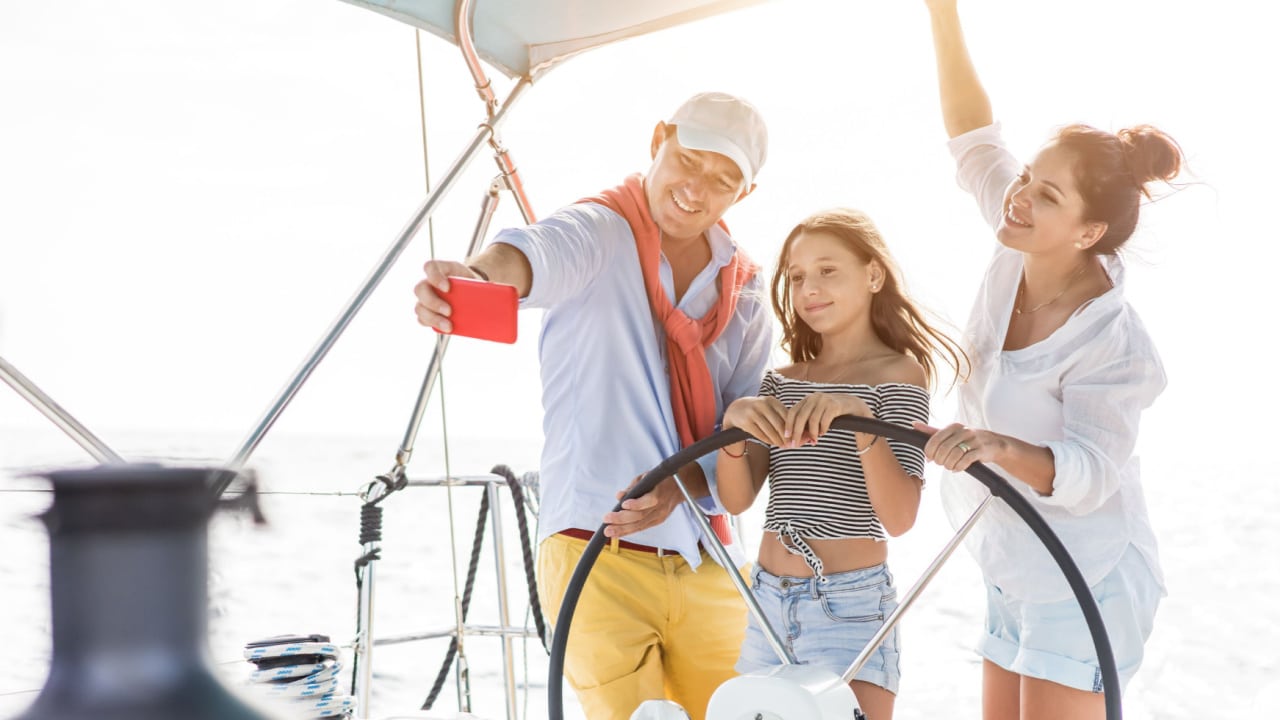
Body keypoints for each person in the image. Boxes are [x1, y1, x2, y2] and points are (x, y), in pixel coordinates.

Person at [413, 91, 773, 720]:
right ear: (658, 138)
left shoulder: (747, 293)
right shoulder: (601, 230)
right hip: (594, 551)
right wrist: (475, 278)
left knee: (750, 710)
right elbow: (529, 254)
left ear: (742, 194)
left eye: (723, 179)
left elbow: (744, 442)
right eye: (690, 160)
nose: (698, 188)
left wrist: (677, 485)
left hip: (709, 555)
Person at [918, 2, 1185, 718]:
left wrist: (998, 445)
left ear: (1089, 230)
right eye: (1028, 177)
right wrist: (941, 10)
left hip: (1087, 572)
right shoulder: (1019, 241)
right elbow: (973, 136)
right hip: (1012, 562)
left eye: (1047, 194)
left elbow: (1092, 473)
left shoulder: (1115, 344)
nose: (1020, 196)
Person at [716, 208, 966, 720]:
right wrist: (733, 429)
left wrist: (863, 421)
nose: (810, 287)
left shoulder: (900, 375)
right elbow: (737, 499)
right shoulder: (782, 381)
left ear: (873, 275)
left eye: (828, 270)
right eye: (798, 276)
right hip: (764, 602)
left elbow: (898, 517)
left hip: (848, 609)